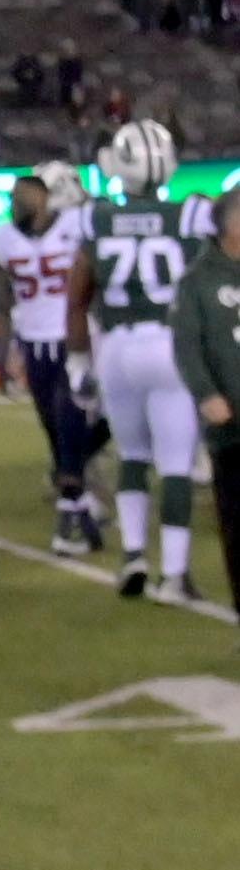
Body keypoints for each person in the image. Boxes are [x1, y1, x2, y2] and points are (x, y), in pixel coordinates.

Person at [67, 119, 214, 606]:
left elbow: (77, 297)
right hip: (169, 345)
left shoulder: (96, 218)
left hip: (116, 349)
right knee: (175, 464)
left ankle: (132, 554)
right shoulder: (192, 215)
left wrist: (76, 361)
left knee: (132, 456)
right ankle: (173, 573)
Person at [0, 169, 103, 555]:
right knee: (58, 435)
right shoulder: (2, 241)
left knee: (83, 426)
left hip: (75, 341)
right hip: (36, 346)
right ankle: (78, 507)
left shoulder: (78, 223)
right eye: (13, 198)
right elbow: (2, 305)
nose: (16, 204)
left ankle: (72, 502)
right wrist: (1, 356)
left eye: (24, 195)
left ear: (46, 195)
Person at [170, 182, 240, 610]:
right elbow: (186, 346)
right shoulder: (198, 280)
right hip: (232, 427)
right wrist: (206, 394)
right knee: (238, 525)